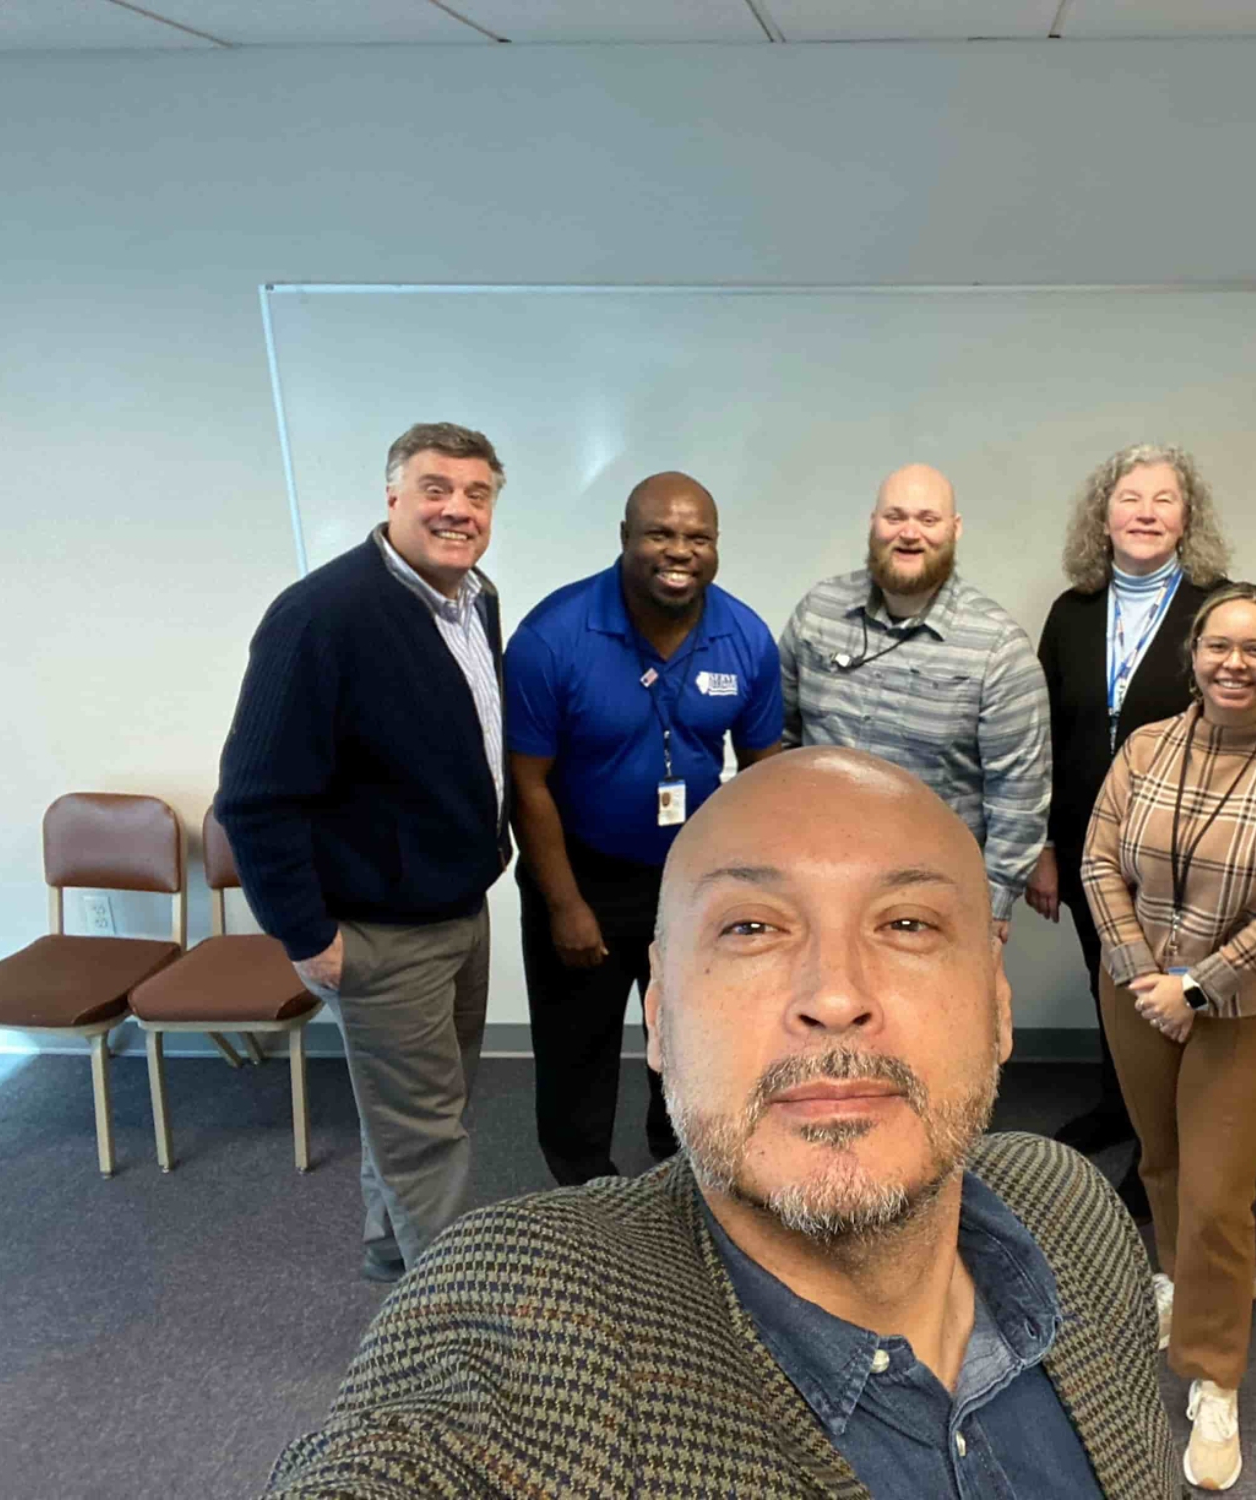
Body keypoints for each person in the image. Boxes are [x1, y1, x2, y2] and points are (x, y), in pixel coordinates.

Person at [263, 748, 1176, 1499]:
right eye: (750, 928)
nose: (834, 997)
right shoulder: (524, 1319)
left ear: (998, 1003)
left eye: (905, 923)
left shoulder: (1069, 1203)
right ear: (658, 1013)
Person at [216, 421, 509, 1284]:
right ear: (393, 498)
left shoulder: (477, 599)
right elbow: (255, 798)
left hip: (458, 909)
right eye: (435, 488)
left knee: (424, 1112)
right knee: (429, 1140)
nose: (457, 508)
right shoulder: (321, 615)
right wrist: (308, 938)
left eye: (477, 493)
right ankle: (454, 1335)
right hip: (380, 937)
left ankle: (392, 1252)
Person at [1081, 582, 1256, 1491]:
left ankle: (1214, 1377)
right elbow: (1096, 860)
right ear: (1192, 654)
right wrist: (1139, 973)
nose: (1235, 663)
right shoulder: (1146, 748)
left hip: (1245, 1010)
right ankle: (1171, 1281)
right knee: (1159, 1163)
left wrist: (1194, 985)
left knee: (1218, 1199)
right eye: (1218, 646)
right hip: (1137, 994)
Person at [505, 471, 782, 1187]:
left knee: (695, 1039)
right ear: (626, 538)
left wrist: (752, 896)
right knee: (577, 1051)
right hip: (580, 872)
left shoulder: (744, 637)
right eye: (660, 533)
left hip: (694, 879)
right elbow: (527, 783)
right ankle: (582, 1190)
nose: (679, 550)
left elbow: (760, 775)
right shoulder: (553, 635)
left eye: (697, 537)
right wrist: (565, 904)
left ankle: (680, 1168)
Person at [1027, 443, 1231, 1216]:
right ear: (1102, 517)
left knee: (1166, 992)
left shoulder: (1219, 609)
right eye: (1130, 499)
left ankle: (1162, 1149)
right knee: (1107, 980)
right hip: (1087, 842)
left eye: (1164, 500)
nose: (1145, 513)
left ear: (1188, 519)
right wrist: (1043, 844)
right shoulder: (1073, 611)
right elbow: (1040, 732)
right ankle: (1121, 1107)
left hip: (1185, 852)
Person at [779, 463, 1049, 941]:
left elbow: (1019, 793)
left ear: (955, 529)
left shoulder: (996, 647)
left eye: (928, 519)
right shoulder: (819, 613)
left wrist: (994, 902)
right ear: (873, 522)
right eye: (895, 517)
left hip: (932, 891)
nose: (909, 534)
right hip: (815, 874)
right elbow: (781, 738)